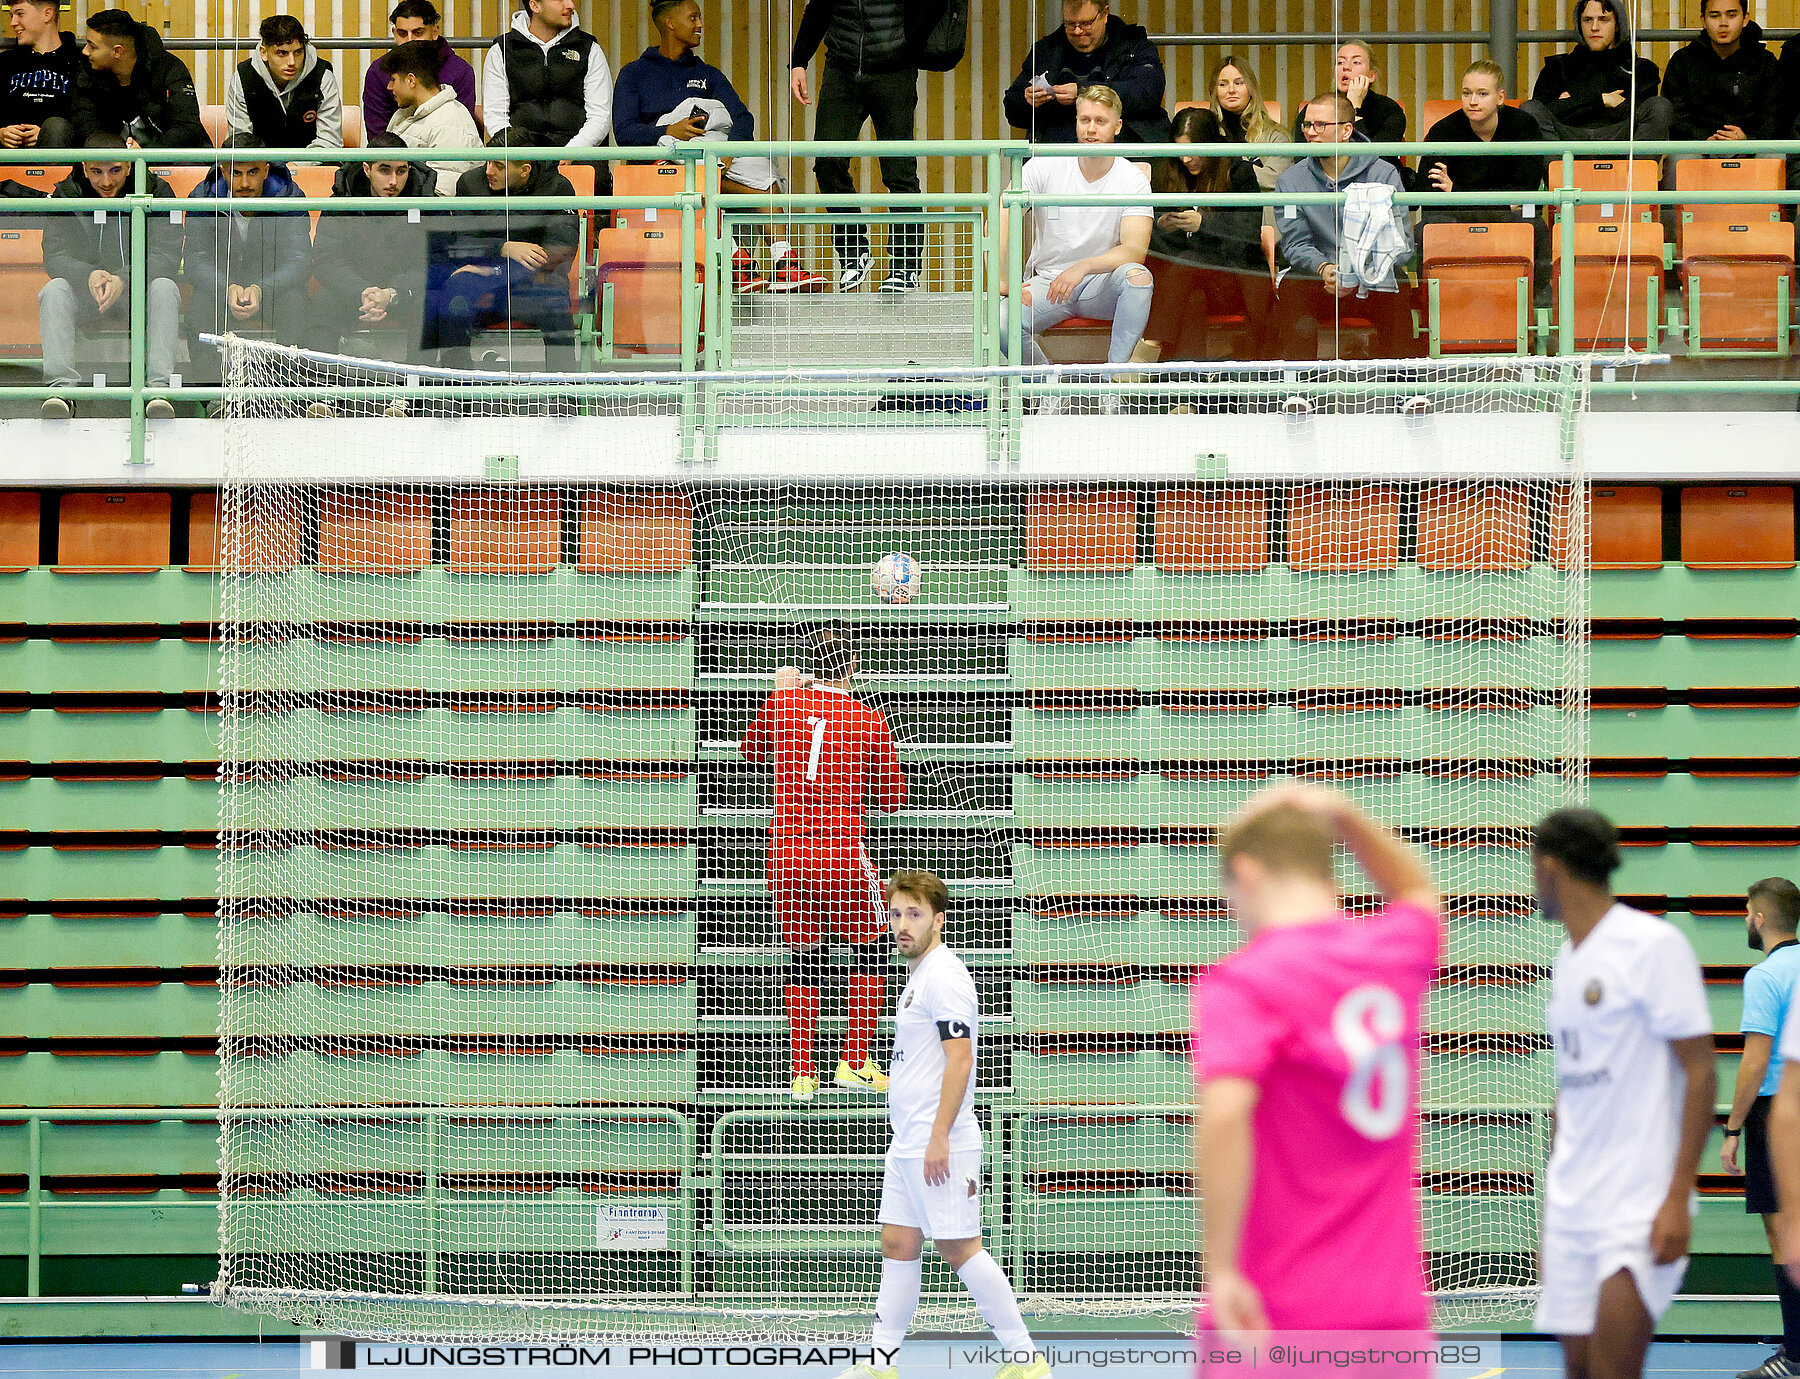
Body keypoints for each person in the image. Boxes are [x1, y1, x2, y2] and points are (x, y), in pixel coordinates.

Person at [1194, 786, 1438, 1371]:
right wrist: (1344, 815)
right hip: (1391, 1316)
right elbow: (1417, 892)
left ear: (1246, 875)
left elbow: (1226, 1113)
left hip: (1279, 1314)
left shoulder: (1246, 980)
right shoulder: (1395, 950)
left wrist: (1221, 1269)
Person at [830, 869, 1052, 1379]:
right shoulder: (917, 976)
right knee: (898, 1243)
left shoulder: (946, 975)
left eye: (915, 914)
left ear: (940, 920)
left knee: (959, 1247)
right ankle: (880, 1364)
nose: (902, 923)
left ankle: (1025, 1359)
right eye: (896, 912)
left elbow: (960, 1060)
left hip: (939, 1143)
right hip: (907, 1142)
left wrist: (937, 1137)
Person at [1531, 807, 1716, 1379]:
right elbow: (1571, 1090)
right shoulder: (1565, 961)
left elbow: (1701, 1069)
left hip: (1637, 1202)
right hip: (1573, 1203)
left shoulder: (1650, 946)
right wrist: (1552, 1203)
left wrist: (1677, 1194)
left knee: (1614, 1371)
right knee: (1580, 1371)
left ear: (1550, 867)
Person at [739, 630, 905, 1103]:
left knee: (804, 956)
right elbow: (893, 801)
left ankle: (801, 1072)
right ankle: (854, 1061)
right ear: (851, 671)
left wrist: (778, 689)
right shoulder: (868, 719)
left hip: (787, 853)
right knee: (873, 947)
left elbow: (751, 755)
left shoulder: (782, 706)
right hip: (841, 853)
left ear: (807, 669)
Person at [613, 0, 824, 294]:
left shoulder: (709, 74)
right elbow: (624, 132)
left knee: (766, 175)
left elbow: (741, 119)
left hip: (715, 154)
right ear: (670, 23)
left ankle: (783, 261)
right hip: (665, 161)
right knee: (707, 179)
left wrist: (731, 151)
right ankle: (738, 264)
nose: (700, 25)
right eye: (693, 18)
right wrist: (668, 130)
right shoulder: (634, 73)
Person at [996, 85, 1152, 405]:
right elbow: (1001, 213)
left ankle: (1112, 383)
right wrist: (1003, 278)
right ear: (1076, 122)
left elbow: (1136, 250)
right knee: (1000, 321)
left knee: (1139, 277)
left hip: (1100, 283)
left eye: (1100, 121)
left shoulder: (1132, 177)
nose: (1091, 129)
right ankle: (1046, 386)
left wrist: (1083, 267)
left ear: (1117, 127)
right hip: (1049, 283)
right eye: (1084, 120)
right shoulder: (1046, 164)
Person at [789, 0, 945, 293]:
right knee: (827, 162)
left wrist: (909, 46)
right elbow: (818, 8)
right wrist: (799, 60)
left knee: (899, 173)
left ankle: (906, 265)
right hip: (842, 68)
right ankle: (853, 253)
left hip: (895, 70)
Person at [36, 133, 178, 419]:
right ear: (84, 167)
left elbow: (168, 255)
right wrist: (87, 275)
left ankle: (158, 390)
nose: (106, 181)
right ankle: (62, 390)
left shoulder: (158, 190)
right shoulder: (65, 193)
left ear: (129, 166)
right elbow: (54, 255)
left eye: (115, 170)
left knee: (165, 287)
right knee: (53, 290)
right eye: (96, 172)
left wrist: (124, 279)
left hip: (138, 293)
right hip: (85, 293)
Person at [1273, 91, 1416, 363]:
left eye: (1320, 125)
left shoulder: (1383, 173)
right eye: (1307, 125)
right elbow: (1295, 243)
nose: (1310, 133)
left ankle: (1404, 389)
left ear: (1347, 130)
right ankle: (1299, 390)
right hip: (1321, 277)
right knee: (1293, 286)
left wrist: (1359, 270)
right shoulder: (1290, 180)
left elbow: (1402, 242)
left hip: (1371, 277)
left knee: (1398, 283)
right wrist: (1325, 268)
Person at [1724, 878, 1800, 1379]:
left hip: (1777, 1111)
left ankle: (1794, 1357)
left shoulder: (1765, 975)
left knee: (1785, 1236)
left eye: (1747, 912)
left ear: (1758, 916)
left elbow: (1754, 1063)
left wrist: (1732, 1128)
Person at [427, 127, 579, 368]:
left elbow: (559, 252)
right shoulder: (469, 183)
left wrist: (495, 270)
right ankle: (456, 391)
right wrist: (502, 247)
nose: (489, 171)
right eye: (488, 162)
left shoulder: (558, 188)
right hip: (483, 279)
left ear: (525, 170)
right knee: (454, 290)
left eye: (499, 165)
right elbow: (458, 243)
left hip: (533, 281)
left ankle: (565, 395)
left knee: (554, 301)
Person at [181, 135, 311, 391]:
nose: (244, 183)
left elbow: (300, 261)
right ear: (223, 171)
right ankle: (213, 397)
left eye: (252, 172)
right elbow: (195, 262)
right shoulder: (203, 197)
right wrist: (226, 288)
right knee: (198, 308)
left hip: (273, 291)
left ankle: (281, 395)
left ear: (266, 170)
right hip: (221, 291)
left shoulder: (290, 196)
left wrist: (261, 288)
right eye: (236, 173)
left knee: (296, 301)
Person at [1144, 106, 1269, 361]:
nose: (1187, 160)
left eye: (1194, 151)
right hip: (1180, 285)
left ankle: (1147, 349)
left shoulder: (1238, 172)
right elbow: (1155, 237)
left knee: (1192, 260)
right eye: (1180, 152)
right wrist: (1163, 225)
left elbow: (1248, 235)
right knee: (1192, 301)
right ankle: (1187, 395)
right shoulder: (1167, 171)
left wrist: (1204, 224)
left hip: (1229, 280)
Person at [1416, 60, 1550, 297]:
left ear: (1500, 97)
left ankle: (1536, 307)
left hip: (1502, 216)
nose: (1473, 101)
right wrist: (1500, 202)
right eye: (1466, 93)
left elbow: (1524, 193)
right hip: (1459, 217)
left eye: (1482, 93)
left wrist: (1456, 191)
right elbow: (1428, 196)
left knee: (1534, 227)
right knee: (1427, 229)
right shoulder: (1443, 131)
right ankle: (1432, 308)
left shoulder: (1524, 126)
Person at [308, 132, 435, 369]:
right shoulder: (341, 200)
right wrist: (362, 292)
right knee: (322, 303)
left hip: (403, 295)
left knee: (430, 305)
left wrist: (393, 293)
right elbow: (326, 261)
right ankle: (321, 394)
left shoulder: (427, 201)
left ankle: (413, 397)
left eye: (401, 171)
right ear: (367, 169)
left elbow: (428, 263)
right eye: (384, 170)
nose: (394, 182)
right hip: (353, 294)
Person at [1003, 0, 1169, 146]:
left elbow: (1147, 93)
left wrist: (1082, 92)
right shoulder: (1046, 50)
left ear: (1105, 14)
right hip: (1054, 158)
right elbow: (1012, 108)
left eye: (1086, 23)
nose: (1077, 31)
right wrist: (1028, 100)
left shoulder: (1134, 46)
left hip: (1125, 154)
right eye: (1069, 24)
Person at [481, 0, 611, 179]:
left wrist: (572, 152)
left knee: (596, 179)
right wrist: (520, 153)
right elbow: (495, 116)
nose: (570, 5)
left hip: (579, 155)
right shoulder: (501, 50)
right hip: (521, 157)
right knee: (471, 182)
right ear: (535, 6)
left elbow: (600, 117)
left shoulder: (590, 48)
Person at [1522, 0, 1673, 144]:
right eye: (1587, 20)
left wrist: (1571, 104)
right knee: (1529, 108)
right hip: (1566, 141)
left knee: (1659, 106)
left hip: (1621, 141)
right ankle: (1555, 170)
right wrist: (1604, 100)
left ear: (1617, 25)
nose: (1594, 27)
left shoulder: (1640, 68)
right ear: (1579, 25)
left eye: (1603, 19)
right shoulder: (1557, 67)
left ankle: (1639, 171)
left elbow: (1641, 116)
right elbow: (1541, 112)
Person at [71, 8, 206, 149]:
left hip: (163, 158)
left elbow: (186, 129)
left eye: (92, 46)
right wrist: (118, 155)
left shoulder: (169, 69)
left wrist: (145, 155)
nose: (85, 51)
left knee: (188, 160)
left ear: (117, 51)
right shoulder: (88, 70)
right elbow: (84, 125)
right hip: (111, 164)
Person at [1662, 0, 1779, 145]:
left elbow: (1774, 115)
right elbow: (1676, 115)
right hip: (1697, 147)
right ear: (1703, 20)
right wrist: (1704, 139)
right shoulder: (1683, 61)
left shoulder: (1765, 62)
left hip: (1751, 146)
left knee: (1773, 155)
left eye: (1731, 15)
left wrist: (1748, 139)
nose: (1723, 23)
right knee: (1679, 160)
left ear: (1745, 19)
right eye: (1715, 16)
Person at [1292, 41, 1407, 183]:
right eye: (1340, 63)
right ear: (1334, 76)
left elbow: (1377, 161)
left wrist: (1353, 107)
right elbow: (1301, 161)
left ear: (1372, 75)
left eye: (1356, 62)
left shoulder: (1390, 111)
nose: (1346, 67)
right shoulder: (1312, 112)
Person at [223, 14, 343, 152]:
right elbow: (240, 143)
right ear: (264, 53)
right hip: (259, 169)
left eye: (298, 52)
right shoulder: (243, 77)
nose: (292, 62)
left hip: (312, 167)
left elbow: (330, 142)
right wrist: (270, 170)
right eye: (282, 53)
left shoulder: (323, 76)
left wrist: (296, 167)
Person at [363, 0, 478, 140]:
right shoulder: (378, 71)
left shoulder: (460, 70)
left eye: (418, 33)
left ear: (435, 32)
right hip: (393, 156)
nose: (410, 40)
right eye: (402, 34)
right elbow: (378, 136)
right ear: (394, 33)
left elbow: (461, 129)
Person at [386, 39, 481, 195]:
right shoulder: (402, 114)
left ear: (411, 80)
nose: (389, 87)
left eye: (393, 79)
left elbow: (443, 193)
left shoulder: (450, 121)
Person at [0, 0, 81, 151]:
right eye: (12, 15)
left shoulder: (79, 63)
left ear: (47, 14)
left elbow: (88, 121)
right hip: (10, 159)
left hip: (61, 158)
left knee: (56, 128)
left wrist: (47, 135)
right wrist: (1, 133)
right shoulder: (5, 63)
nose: (12, 22)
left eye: (19, 14)